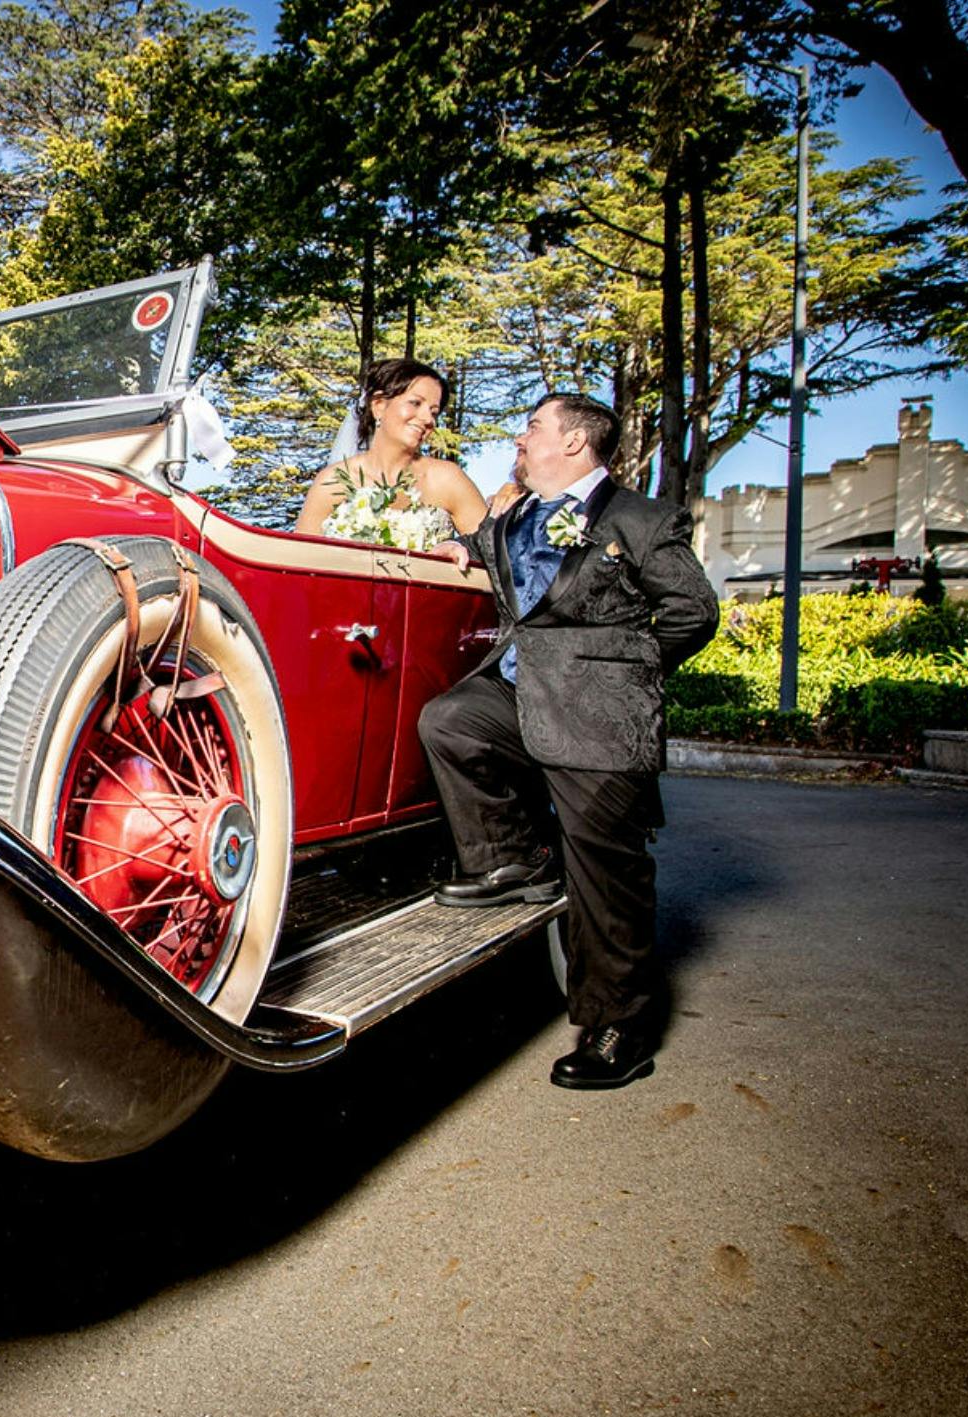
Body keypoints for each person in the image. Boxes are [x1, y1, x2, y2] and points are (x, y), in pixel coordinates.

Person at [416, 393, 718, 1090]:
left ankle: (620, 1024)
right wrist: (457, 548)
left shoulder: (639, 518)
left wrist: (622, 674)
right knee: (449, 721)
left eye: (533, 428)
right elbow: (500, 562)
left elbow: (693, 612)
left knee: (604, 876)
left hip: (596, 718)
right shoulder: (513, 514)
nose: (519, 439)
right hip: (516, 695)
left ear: (575, 443)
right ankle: (511, 860)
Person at [293, 358, 487, 539]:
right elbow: (300, 561)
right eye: (415, 403)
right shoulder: (333, 481)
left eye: (434, 412)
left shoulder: (447, 479)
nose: (428, 419)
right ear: (378, 406)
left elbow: (491, 555)